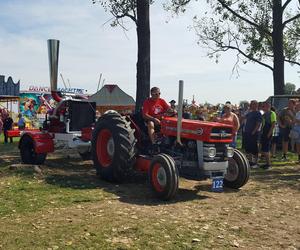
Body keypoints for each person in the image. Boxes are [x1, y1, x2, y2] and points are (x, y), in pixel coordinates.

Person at [243, 100, 262, 167]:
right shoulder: (250, 113)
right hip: (247, 132)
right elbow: (243, 117)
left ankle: (256, 162)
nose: (250, 105)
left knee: (254, 148)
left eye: (252, 104)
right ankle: (250, 161)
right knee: (249, 148)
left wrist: (254, 131)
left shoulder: (258, 113)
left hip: (253, 133)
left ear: (256, 105)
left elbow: (258, 124)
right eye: (250, 104)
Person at [260, 102, 276, 169]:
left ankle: (269, 165)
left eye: (264, 106)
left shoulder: (272, 113)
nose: (262, 107)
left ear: (268, 106)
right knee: (264, 149)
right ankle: (266, 163)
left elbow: (273, 124)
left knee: (266, 149)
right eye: (262, 106)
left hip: (268, 133)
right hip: (264, 133)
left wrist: (269, 134)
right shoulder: (264, 114)